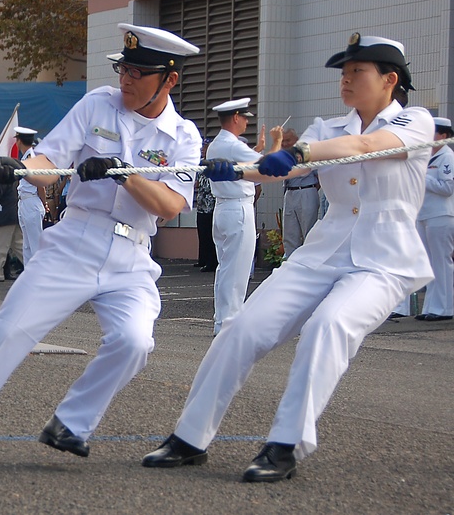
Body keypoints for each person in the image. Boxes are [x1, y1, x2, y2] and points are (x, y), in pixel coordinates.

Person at [142, 33, 434, 483]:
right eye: (344, 72)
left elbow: (361, 148)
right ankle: (190, 437)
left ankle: (285, 444)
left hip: (383, 261)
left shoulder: (416, 121)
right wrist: (239, 169)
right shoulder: (327, 127)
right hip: (321, 253)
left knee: (328, 325)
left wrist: (298, 152)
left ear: (390, 80)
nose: (346, 80)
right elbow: (283, 167)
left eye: (357, 72)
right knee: (241, 329)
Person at [0, 23, 202, 471]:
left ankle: (71, 423)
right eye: (123, 69)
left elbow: (167, 206)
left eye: (138, 73)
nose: (125, 79)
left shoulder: (183, 137)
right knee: (7, 332)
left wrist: (124, 172)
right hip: (75, 242)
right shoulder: (97, 104)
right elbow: (51, 161)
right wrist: (22, 168)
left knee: (134, 341)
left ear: (169, 80)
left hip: (132, 255)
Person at [206, 98, 263, 335]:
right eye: (245, 118)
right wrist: (276, 145)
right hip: (238, 207)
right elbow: (267, 167)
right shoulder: (232, 144)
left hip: (223, 208)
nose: (247, 122)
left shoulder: (218, 144)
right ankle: (228, 323)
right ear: (237, 118)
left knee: (226, 268)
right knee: (237, 270)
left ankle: (222, 319)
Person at [411, 117, 454, 321]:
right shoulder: (427, 156)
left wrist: (423, 178)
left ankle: (445, 308)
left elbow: (447, 188)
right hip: (424, 214)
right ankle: (431, 307)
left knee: (441, 262)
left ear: (443, 136)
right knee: (429, 264)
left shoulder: (447, 157)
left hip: (441, 215)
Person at [280, 129, 320, 258]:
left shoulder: (305, 153)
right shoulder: (283, 155)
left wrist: (311, 189)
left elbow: (319, 176)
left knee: (309, 231)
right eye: (282, 141)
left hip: (306, 190)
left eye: (288, 140)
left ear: (296, 140)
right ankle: (290, 262)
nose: (285, 143)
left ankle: (309, 262)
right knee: (289, 233)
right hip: (290, 192)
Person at [15, 126, 49, 265]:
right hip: (24, 202)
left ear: (19, 141)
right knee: (27, 246)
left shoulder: (31, 159)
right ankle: (29, 276)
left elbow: (40, 185)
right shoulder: (25, 158)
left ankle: (40, 279)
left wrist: (44, 203)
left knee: (35, 246)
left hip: (31, 202)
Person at [194, 140, 218, 272]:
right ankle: (202, 258)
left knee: (210, 233)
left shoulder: (215, 163)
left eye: (206, 147)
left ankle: (211, 261)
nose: (203, 150)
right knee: (202, 232)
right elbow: (197, 182)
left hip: (212, 203)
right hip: (202, 202)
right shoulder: (201, 164)